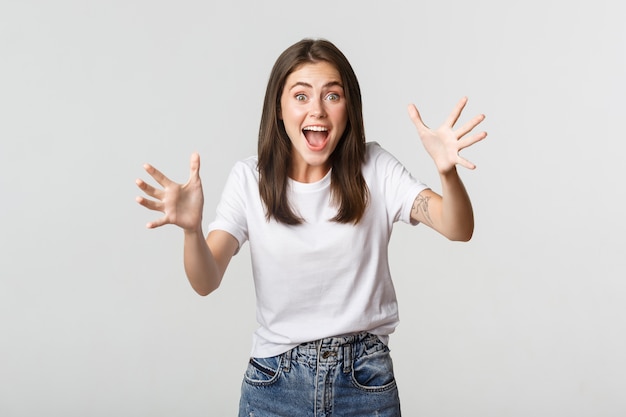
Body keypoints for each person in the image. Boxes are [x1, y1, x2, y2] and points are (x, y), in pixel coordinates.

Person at [136, 38, 486, 417]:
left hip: (364, 383)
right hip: (275, 386)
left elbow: (457, 227)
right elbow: (206, 280)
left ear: (349, 108)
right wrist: (191, 230)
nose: (316, 110)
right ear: (279, 109)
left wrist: (447, 173)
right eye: (301, 96)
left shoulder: (375, 168)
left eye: (332, 96)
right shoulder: (249, 180)